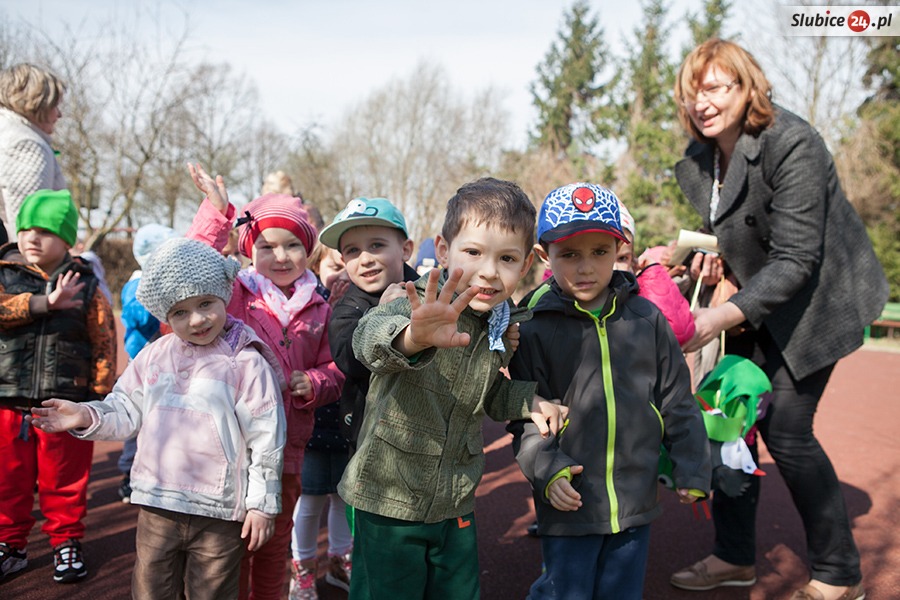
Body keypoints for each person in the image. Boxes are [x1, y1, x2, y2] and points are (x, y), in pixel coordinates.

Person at [669, 39, 889, 600]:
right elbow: (733, 227)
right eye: (692, 92)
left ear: (748, 88)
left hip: (818, 300)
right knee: (729, 418)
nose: (702, 102)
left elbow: (795, 258)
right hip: (753, 304)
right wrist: (708, 255)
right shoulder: (703, 157)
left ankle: (840, 574)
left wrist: (714, 319)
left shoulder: (793, 142)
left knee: (787, 429)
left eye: (716, 88)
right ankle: (734, 557)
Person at [338, 177, 567, 599]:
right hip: (389, 499)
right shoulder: (417, 302)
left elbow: (484, 394)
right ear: (443, 251)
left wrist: (528, 400)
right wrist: (413, 337)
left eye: (507, 258)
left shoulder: (499, 323)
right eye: (474, 253)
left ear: (526, 266)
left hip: (455, 498)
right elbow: (367, 343)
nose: (489, 271)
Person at [29, 236, 287, 599]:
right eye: (180, 312)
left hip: (219, 511)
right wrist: (86, 414)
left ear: (223, 295)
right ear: (166, 316)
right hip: (158, 503)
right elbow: (125, 408)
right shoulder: (154, 356)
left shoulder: (246, 362)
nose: (196, 319)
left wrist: (262, 504)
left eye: (205, 303)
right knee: (151, 591)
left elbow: (267, 438)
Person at [508, 182, 711, 600]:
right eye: (570, 254)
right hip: (570, 499)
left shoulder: (647, 318)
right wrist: (547, 471)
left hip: (636, 497)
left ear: (620, 248)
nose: (586, 268)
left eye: (600, 252)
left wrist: (692, 467)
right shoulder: (533, 326)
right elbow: (525, 416)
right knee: (565, 592)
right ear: (545, 255)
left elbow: (677, 398)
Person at [187, 164, 344, 600]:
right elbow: (190, 269)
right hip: (230, 448)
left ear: (309, 250)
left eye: (293, 245)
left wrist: (315, 382)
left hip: (287, 449)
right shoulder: (234, 292)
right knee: (230, 547)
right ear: (248, 249)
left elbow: (335, 368)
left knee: (275, 544)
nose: (281, 256)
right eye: (267, 246)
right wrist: (216, 214)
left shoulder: (319, 307)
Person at [0, 189, 117, 584]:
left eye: (45, 230)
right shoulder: (5, 273)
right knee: (7, 479)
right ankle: (10, 543)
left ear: (66, 239)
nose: (32, 237)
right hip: (8, 400)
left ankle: (66, 540)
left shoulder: (87, 284)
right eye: (25, 229)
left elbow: (103, 340)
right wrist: (43, 303)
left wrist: (98, 398)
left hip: (64, 404)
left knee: (64, 480)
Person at [318, 197, 418, 455]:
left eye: (376, 245)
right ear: (343, 259)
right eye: (353, 250)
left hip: (429, 431)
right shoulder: (348, 308)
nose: (365, 259)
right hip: (372, 437)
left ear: (405, 250)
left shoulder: (430, 293)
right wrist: (381, 315)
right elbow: (349, 359)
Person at [288, 242, 353, 600]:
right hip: (313, 423)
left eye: (348, 265)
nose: (343, 274)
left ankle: (340, 561)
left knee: (342, 497)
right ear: (317, 267)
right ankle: (302, 571)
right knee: (309, 501)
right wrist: (331, 307)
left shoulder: (361, 301)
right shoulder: (311, 303)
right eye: (335, 265)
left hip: (345, 423)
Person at [116, 223, 179, 503]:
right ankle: (128, 473)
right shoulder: (137, 283)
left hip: (166, 361)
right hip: (142, 360)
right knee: (138, 414)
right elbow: (138, 317)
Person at [0, 64, 67, 243]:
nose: (59, 114)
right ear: (38, 103)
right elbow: (26, 223)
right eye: (55, 105)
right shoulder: (26, 143)